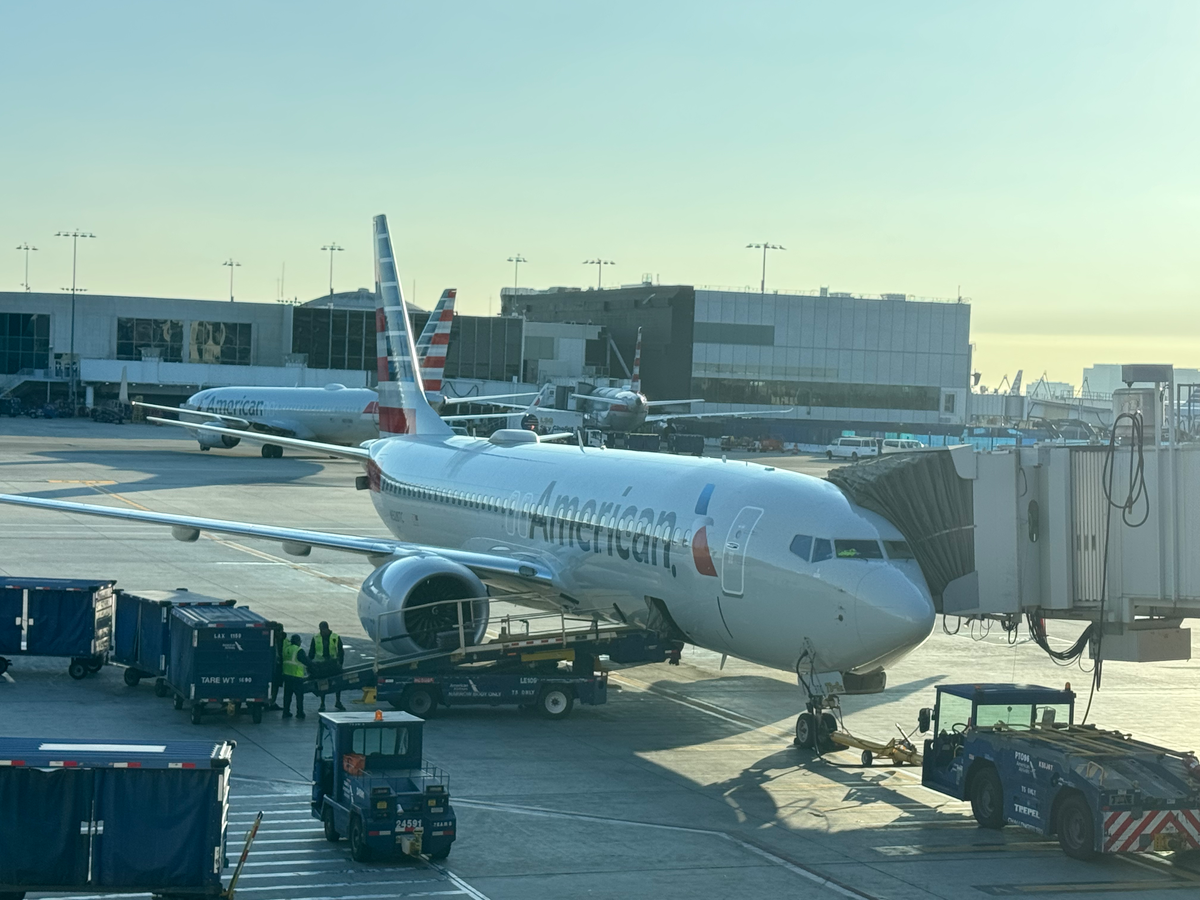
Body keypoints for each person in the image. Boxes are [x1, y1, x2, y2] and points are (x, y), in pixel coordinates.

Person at [309, 621, 345, 712]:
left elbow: (341, 651)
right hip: (321, 665)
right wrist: (310, 665)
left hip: (333, 663)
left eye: (323, 630)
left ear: (327, 629)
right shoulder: (316, 637)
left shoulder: (335, 637)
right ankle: (322, 703)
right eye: (320, 630)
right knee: (323, 684)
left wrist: (340, 663)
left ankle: (338, 701)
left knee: (338, 682)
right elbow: (311, 651)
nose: (321, 632)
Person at [281, 634, 308, 719]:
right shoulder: (298, 650)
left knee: (287, 696)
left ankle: (286, 712)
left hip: (287, 675)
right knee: (299, 696)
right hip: (296, 676)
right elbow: (306, 661)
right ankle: (299, 713)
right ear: (297, 641)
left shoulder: (286, 649)